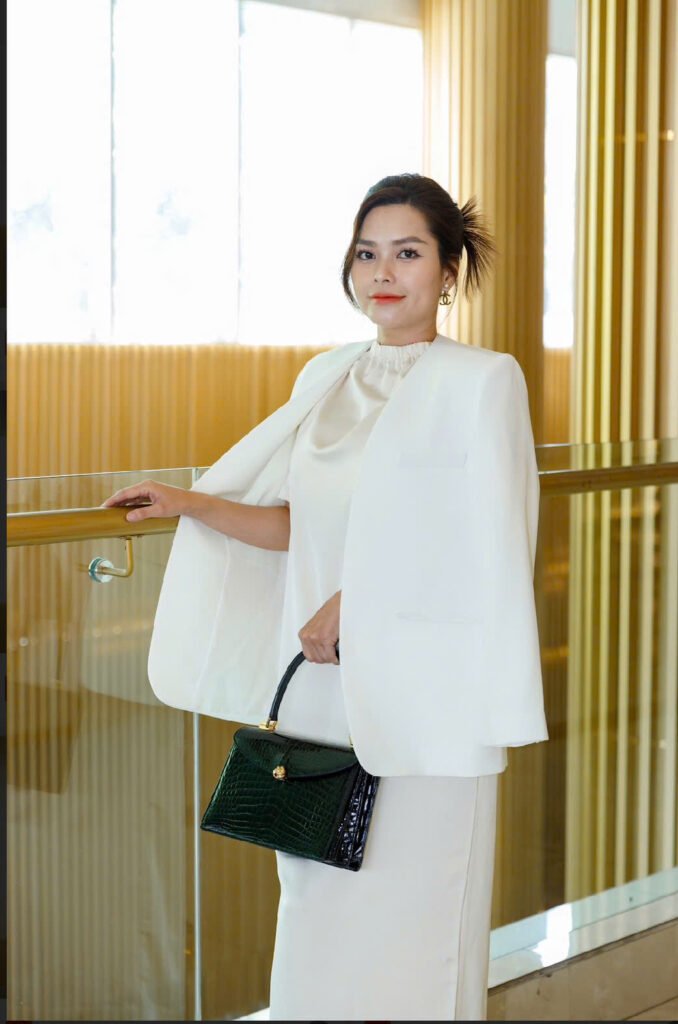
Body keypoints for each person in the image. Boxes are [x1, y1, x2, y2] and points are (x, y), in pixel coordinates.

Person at [103, 173, 548, 1021]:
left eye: (408, 252)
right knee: (316, 917)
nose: (384, 272)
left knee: (411, 927)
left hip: (424, 704)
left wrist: (357, 602)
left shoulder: (483, 381)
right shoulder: (328, 375)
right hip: (319, 693)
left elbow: (488, 541)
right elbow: (296, 526)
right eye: (367, 253)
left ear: (449, 270)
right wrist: (191, 503)